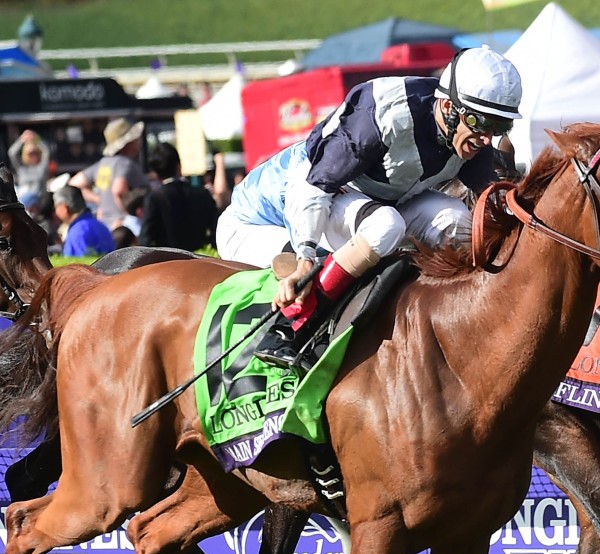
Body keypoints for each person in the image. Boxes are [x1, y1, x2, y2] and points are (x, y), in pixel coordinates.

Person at [217, 45, 524, 368]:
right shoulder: (382, 114)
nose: (488, 138)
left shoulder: (468, 136)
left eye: (499, 127)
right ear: (448, 107)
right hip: (267, 219)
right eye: (479, 122)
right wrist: (305, 258)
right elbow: (311, 188)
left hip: (360, 205)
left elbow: (498, 206)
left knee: (457, 220)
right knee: (385, 225)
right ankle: (292, 327)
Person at [69, 117, 152, 231]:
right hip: (124, 228)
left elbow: (74, 183)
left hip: (106, 226)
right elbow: (118, 190)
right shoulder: (125, 163)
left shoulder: (103, 163)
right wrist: (126, 218)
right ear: (128, 142)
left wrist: (99, 199)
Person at [138, 143, 219, 251]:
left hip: (168, 262)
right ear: (179, 166)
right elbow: (216, 230)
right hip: (201, 260)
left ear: (155, 174)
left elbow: (145, 240)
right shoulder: (202, 193)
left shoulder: (154, 199)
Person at [53, 184, 116, 258]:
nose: (55, 212)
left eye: (56, 207)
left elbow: (79, 267)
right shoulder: (100, 225)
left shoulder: (77, 231)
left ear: (64, 208)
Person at [7, 130, 50, 208]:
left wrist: (36, 139)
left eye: (35, 153)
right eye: (30, 154)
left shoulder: (42, 167)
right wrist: (22, 140)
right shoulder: (21, 169)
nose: (33, 156)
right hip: (23, 203)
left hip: (39, 204)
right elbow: (11, 153)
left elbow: (46, 151)